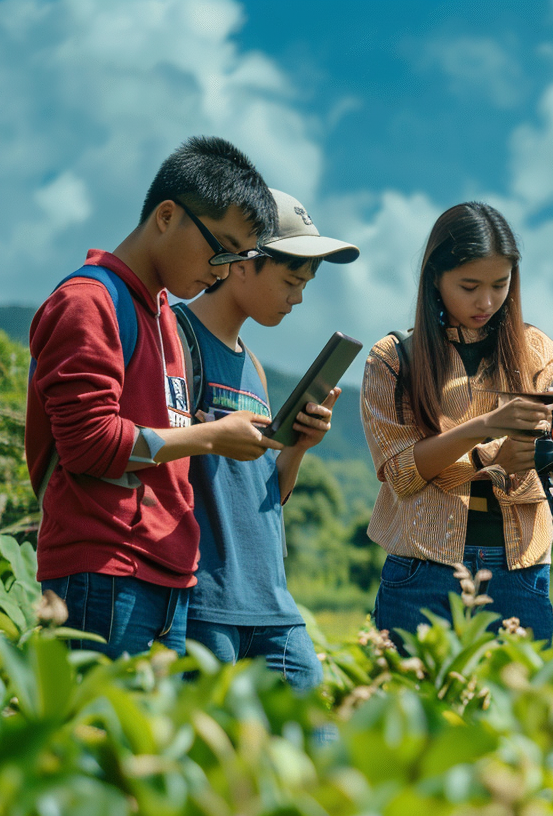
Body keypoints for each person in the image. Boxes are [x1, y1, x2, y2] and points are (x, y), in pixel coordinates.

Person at [27, 136, 283, 658]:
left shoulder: (168, 318)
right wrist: (211, 437)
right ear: (167, 216)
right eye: (221, 247)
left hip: (171, 576)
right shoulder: (89, 303)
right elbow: (89, 445)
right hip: (103, 571)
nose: (223, 269)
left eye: (238, 257)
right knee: (92, 734)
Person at [174, 188, 359, 689]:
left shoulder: (253, 366)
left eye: (305, 285)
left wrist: (298, 448)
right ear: (240, 264)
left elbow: (263, 496)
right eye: (290, 280)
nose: (297, 297)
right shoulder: (176, 338)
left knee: (315, 746)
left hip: (272, 606)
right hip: (205, 602)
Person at [361, 201, 553, 645]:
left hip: (520, 567)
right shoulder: (392, 359)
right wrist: (487, 432)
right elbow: (400, 474)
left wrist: (543, 454)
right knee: (409, 710)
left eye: (500, 284)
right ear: (435, 277)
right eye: (469, 286)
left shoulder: (540, 353)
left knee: (526, 711)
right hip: (423, 567)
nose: (486, 301)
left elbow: (549, 467)